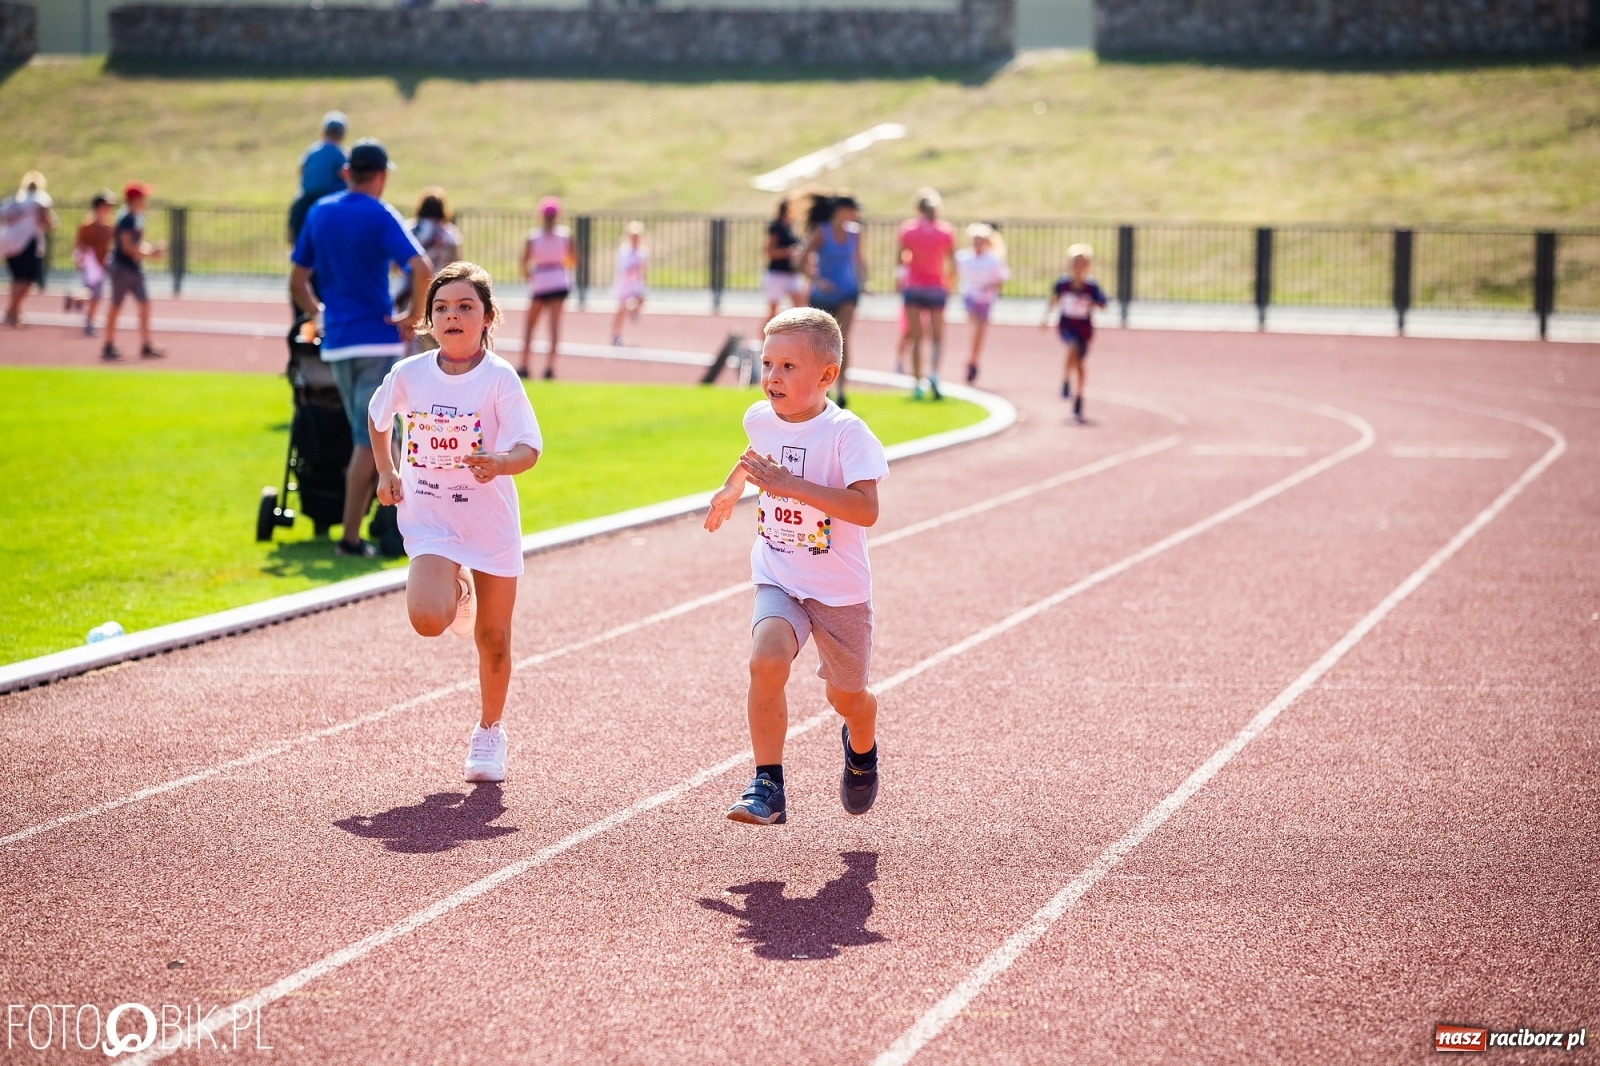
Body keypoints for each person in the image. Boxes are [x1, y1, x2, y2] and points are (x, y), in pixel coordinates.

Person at [703, 307, 889, 826]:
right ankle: (767, 784)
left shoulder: (846, 433)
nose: (772, 378)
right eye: (768, 364)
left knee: (846, 697)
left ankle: (862, 743)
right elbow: (754, 452)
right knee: (766, 661)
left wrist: (790, 487)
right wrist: (733, 487)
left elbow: (866, 509)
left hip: (838, 590)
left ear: (826, 375)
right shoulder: (759, 417)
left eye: (788, 367)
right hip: (779, 572)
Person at [369, 261, 542, 783]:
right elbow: (378, 420)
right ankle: (457, 592)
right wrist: (387, 470)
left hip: (488, 522)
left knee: (493, 639)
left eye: (466, 307)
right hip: (430, 517)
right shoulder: (409, 375)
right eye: (441, 308)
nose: (453, 316)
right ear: (429, 321)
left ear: (487, 317)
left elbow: (530, 447)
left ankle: (490, 730)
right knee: (427, 618)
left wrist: (500, 462)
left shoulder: (499, 378)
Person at [290, 138, 433, 557]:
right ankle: (352, 538)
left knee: (370, 437)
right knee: (369, 440)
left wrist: (319, 316)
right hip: (376, 338)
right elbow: (422, 267)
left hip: (337, 343)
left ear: (347, 172)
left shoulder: (320, 211)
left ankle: (385, 525)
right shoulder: (379, 213)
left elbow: (298, 281)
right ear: (383, 176)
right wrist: (413, 315)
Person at [802, 194, 868, 409]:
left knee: (842, 339)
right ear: (841, 210)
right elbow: (800, 261)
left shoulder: (855, 233)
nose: (856, 214)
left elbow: (859, 260)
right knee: (820, 342)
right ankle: (818, 389)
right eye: (852, 209)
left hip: (847, 292)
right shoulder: (822, 232)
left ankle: (841, 390)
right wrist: (817, 281)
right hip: (822, 295)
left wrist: (864, 282)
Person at [898, 188, 956, 400]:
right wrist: (949, 283)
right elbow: (952, 262)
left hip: (913, 286)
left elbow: (901, 260)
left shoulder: (908, 230)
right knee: (937, 336)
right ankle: (934, 374)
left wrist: (901, 281)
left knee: (916, 336)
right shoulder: (945, 231)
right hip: (936, 286)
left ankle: (916, 383)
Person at [1044, 243, 1108, 425]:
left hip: (1084, 328)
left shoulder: (1091, 286)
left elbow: (1103, 304)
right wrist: (1045, 319)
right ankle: (1065, 379)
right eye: (1075, 262)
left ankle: (1079, 394)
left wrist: (1089, 300)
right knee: (1072, 347)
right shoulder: (1063, 284)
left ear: (1088, 265)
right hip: (1066, 325)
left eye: (1082, 262)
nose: (1078, 266)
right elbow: (1054, 300)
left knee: (1080, 363)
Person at [101, 182, 166, 361]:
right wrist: (150, 253)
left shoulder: (136, 217)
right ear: (134, 199)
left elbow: (135, 246)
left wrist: (150, 249)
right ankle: (108, 344)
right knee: (116, 305)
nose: (145, 200)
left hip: (134, 267)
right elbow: (127, 247)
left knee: (144, 304)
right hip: (122, 268)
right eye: (142, 197)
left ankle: (146, 344)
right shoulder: (126, 219)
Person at [400, 187, 463, 355]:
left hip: (410, 294)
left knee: (410, 343)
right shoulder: (449, 234)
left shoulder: (409, 230)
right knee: (439, 343)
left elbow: (395, 264)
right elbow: (456, 267)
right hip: (440, 294)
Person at [519, 196, 573, 380]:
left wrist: (529, 276)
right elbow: (573, 259)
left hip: (541, 281)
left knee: (530, 325)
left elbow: (523, 262)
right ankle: (550, 367)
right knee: (554, 327)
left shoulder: (534, 237)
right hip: (558, 280)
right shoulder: (565, 235)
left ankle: (525, 364)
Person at [956, 222, 1010, 384]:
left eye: (980, 240)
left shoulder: (992, 261)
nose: (977, 244)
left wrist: (990, 286)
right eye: (975, 240)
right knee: (976, 327)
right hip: (970, 297)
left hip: (985, 300)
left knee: (980, 333)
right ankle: (971, 361)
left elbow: (1000, 280)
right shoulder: (962, 258)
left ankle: (973, 360)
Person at [1, 171, 56, 328]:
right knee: (27, 279)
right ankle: (11, 311)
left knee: (17, 278)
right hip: (26, 242)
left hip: (8, 241)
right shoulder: (40, 199)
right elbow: (45, 220)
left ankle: (15, 313)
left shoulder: (17, 199)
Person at [287, 111, 349, 244]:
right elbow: (344, 174)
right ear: (342, 134)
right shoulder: (338, 153)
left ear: (324, 131)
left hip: (306, 198)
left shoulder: (312, 150)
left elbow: (301, 169)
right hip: (330, 198)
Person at [70, 191, 115, 336]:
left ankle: (74, 298)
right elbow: (79, 243)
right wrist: (82, 259)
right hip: (90, 265)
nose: (109, 208)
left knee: (94, 295)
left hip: (100, 265)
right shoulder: (88, 224)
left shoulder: (108, 225)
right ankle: (89, 321)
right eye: (107, 205)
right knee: (95, 295)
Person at [761, 198, 804, 327]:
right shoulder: (776, 227)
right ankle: (763, 341)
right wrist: (788, 252)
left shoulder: (790, 227)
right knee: (772, 311)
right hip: (776, 273)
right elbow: (769, 251)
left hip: (791, 273)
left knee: (799, 308)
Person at [610, 221, 647, 346]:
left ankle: (633, 310)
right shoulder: (624, 251)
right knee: (621, 311)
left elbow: (643, 270)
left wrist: (643, 282)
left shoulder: (642, 252)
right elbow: (623, 269)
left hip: (635, 284)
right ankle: (615, 334)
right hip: (624, 284)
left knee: (640, 299)